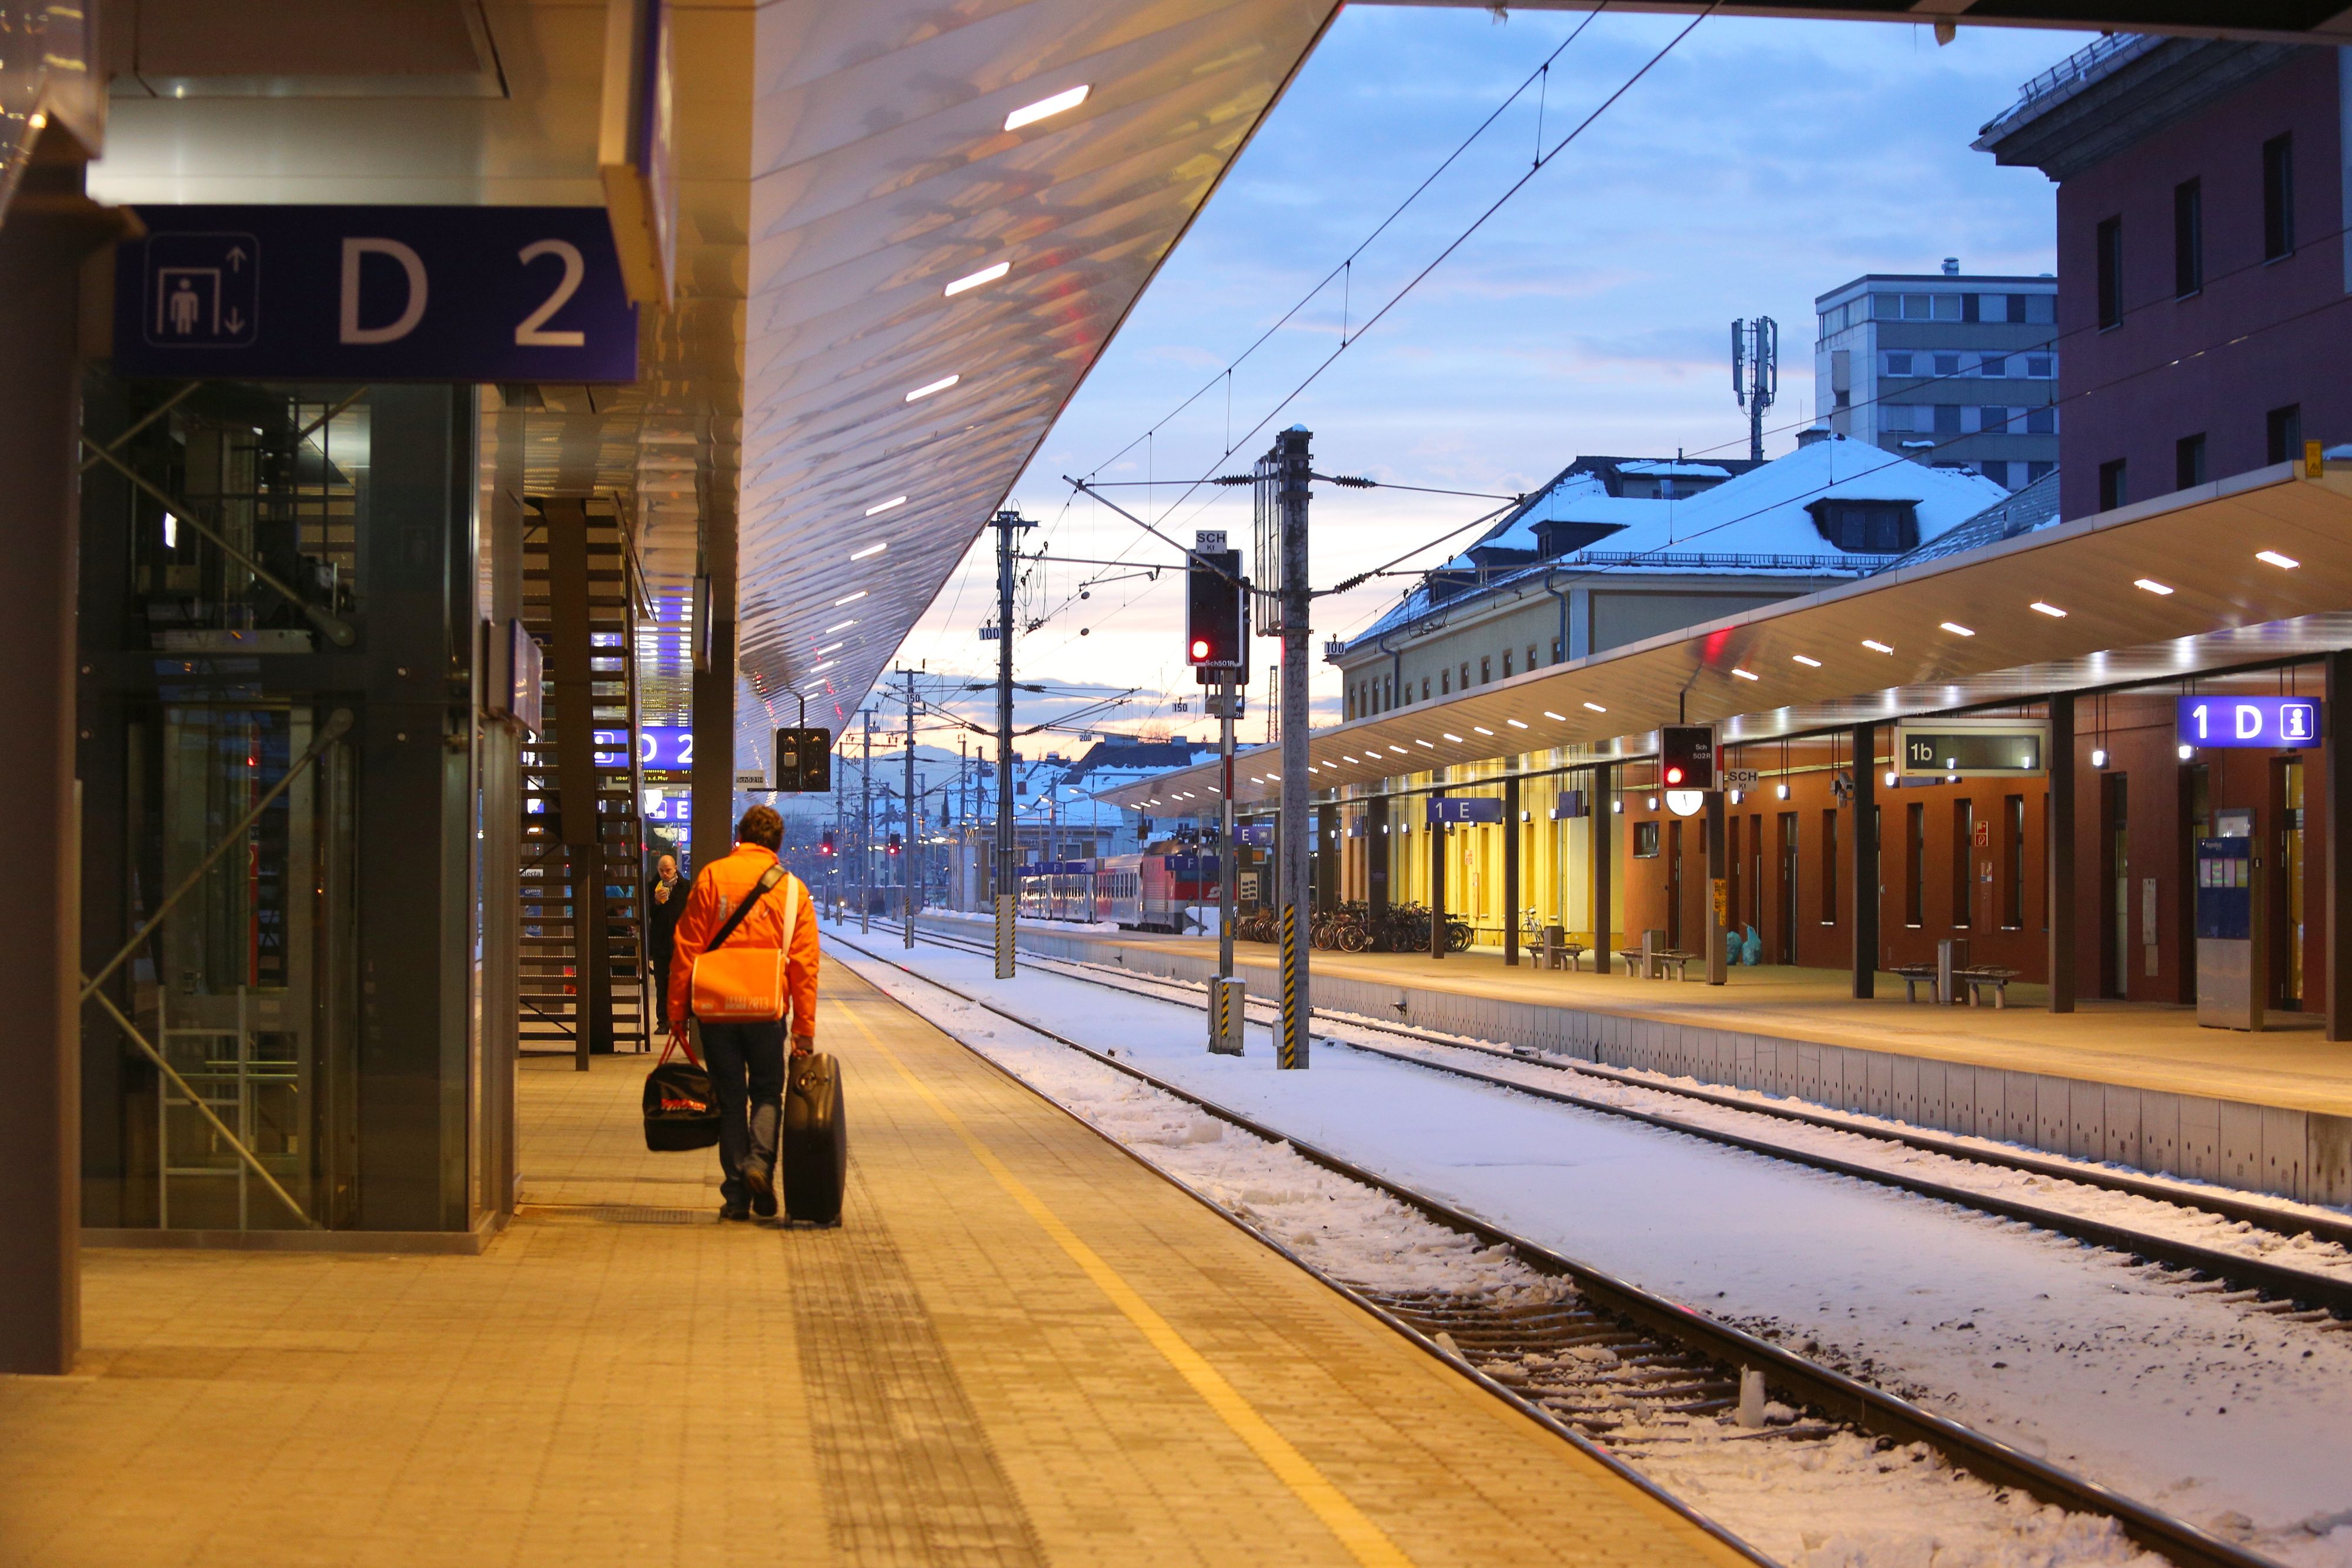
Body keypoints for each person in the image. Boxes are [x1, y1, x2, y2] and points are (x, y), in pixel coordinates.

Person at [667, 806, 820, 1221]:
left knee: (730, 1098)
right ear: (778, 843)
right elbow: (804, 966)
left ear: (740, 835)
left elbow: (686, 946)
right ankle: (759, 1164)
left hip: (717, 1009)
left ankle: (736, 1197)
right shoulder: (793, 890)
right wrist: (804, 1031)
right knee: (768, 1093)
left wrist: (677, 1010)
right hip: (767, 1010)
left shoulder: (713, 876)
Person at [646, 853, 684, 1032]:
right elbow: (648, 914)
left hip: (680, 942)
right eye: (661, 870)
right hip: (661, 942)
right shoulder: (652, 887)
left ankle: (680, 1021)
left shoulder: (685, 887)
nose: (665, 874)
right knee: (661, 984)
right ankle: (663, 1022)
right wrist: (656, 902)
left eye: (668, 870)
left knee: (680, 984)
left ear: (675, 868)